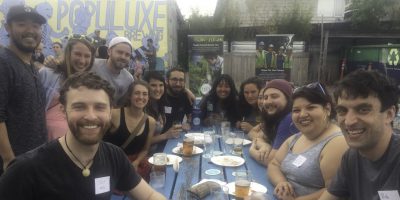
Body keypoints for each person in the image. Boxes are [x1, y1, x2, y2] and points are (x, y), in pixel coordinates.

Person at [0, 72, 165, 199]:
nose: (91, 116)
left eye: (100, 107)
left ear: (110, 111)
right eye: (79, 107)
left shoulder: (114, 156)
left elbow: (150, 196)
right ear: (63, 111)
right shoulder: (26, 170)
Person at [319, 70, 400, 200]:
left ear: (389, 114)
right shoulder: (352, 156)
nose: (349, 121)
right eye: (342, 111)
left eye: (363, 110)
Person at [268, 82, 348, 200]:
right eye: (296, 110)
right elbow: (274, 164)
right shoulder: (296, 138)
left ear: (327, 108)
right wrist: (281, 183)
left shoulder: (337, 142)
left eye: (311, 107)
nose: (302, 114)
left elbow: (334, 192)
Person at [0, 5, 47, 175]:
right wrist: (8, 159)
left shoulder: (30, 65)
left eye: (35, 26)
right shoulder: (3, 63)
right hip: (13, 166)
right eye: (21, 24)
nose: (30, 30)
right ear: (8, 28)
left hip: (32, 160)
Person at [39, 34, 96, 140]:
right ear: (68, 53)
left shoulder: (89, 82)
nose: (82, 61)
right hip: (45, 140)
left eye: (87, 56)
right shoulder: (48, 74)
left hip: (75, 142)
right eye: (77, 54)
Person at [103, 80, 155, 181]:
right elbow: (98, 140)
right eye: (137, 93)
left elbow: (145, 149)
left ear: (148, 98)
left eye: (145, 94)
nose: (141, 97)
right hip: (111, 162)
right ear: (129, 96)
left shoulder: (150, 121)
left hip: (134, 163)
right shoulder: (113, 114)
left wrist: (136, 162)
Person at [248, 79, 297, 165]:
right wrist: (263, 144)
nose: (268, 101)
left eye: (274, 96)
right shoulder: (274, 117)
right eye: (265, 98)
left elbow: (271, 161)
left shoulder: (289, 119)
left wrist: (252, 151)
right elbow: (252, 133)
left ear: (288, 99)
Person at [144, 71, 183, 154]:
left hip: (160, 150)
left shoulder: (159, 103)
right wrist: (166, 135)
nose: (158, 89)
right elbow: (140, 142)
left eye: (161, 85)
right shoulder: (142, 108)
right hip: (147, 157)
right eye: (153, 85)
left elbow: (176, 88)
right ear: (145, 86)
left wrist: (187, 91)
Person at [156, 67, 193, 152]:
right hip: (159, 143)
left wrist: (188, 123)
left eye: (181, 80)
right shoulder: (160, 96)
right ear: (167, 80)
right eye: (174, 79)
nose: (178, 83)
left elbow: (190, 116)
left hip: (176, 139)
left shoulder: (185, 96)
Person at [91, 36, 134, 107]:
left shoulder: (129, 79)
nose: (123, 57)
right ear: (109, 51)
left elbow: (119, 106)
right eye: (120, 52)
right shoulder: (92, 65)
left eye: (127, 55)